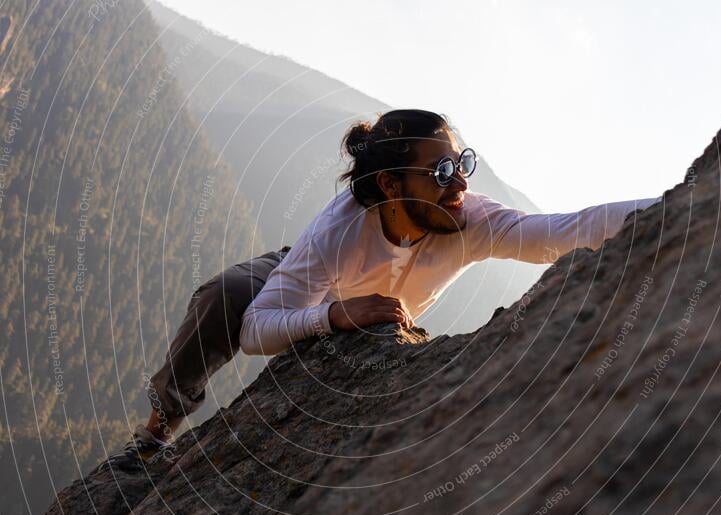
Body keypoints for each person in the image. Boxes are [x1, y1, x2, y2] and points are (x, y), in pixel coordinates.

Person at [102, 109, 660, 470]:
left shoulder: (470, 220)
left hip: (375, 308)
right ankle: (157, 431)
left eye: (462, 163)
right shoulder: (336, 232)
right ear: (391, 185)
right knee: (223, 297)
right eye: (441, 172)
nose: (461, 183)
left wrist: (681, 201)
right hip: (315, 276)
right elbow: (254, 330)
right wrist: (333, 315)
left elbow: (569, 231)